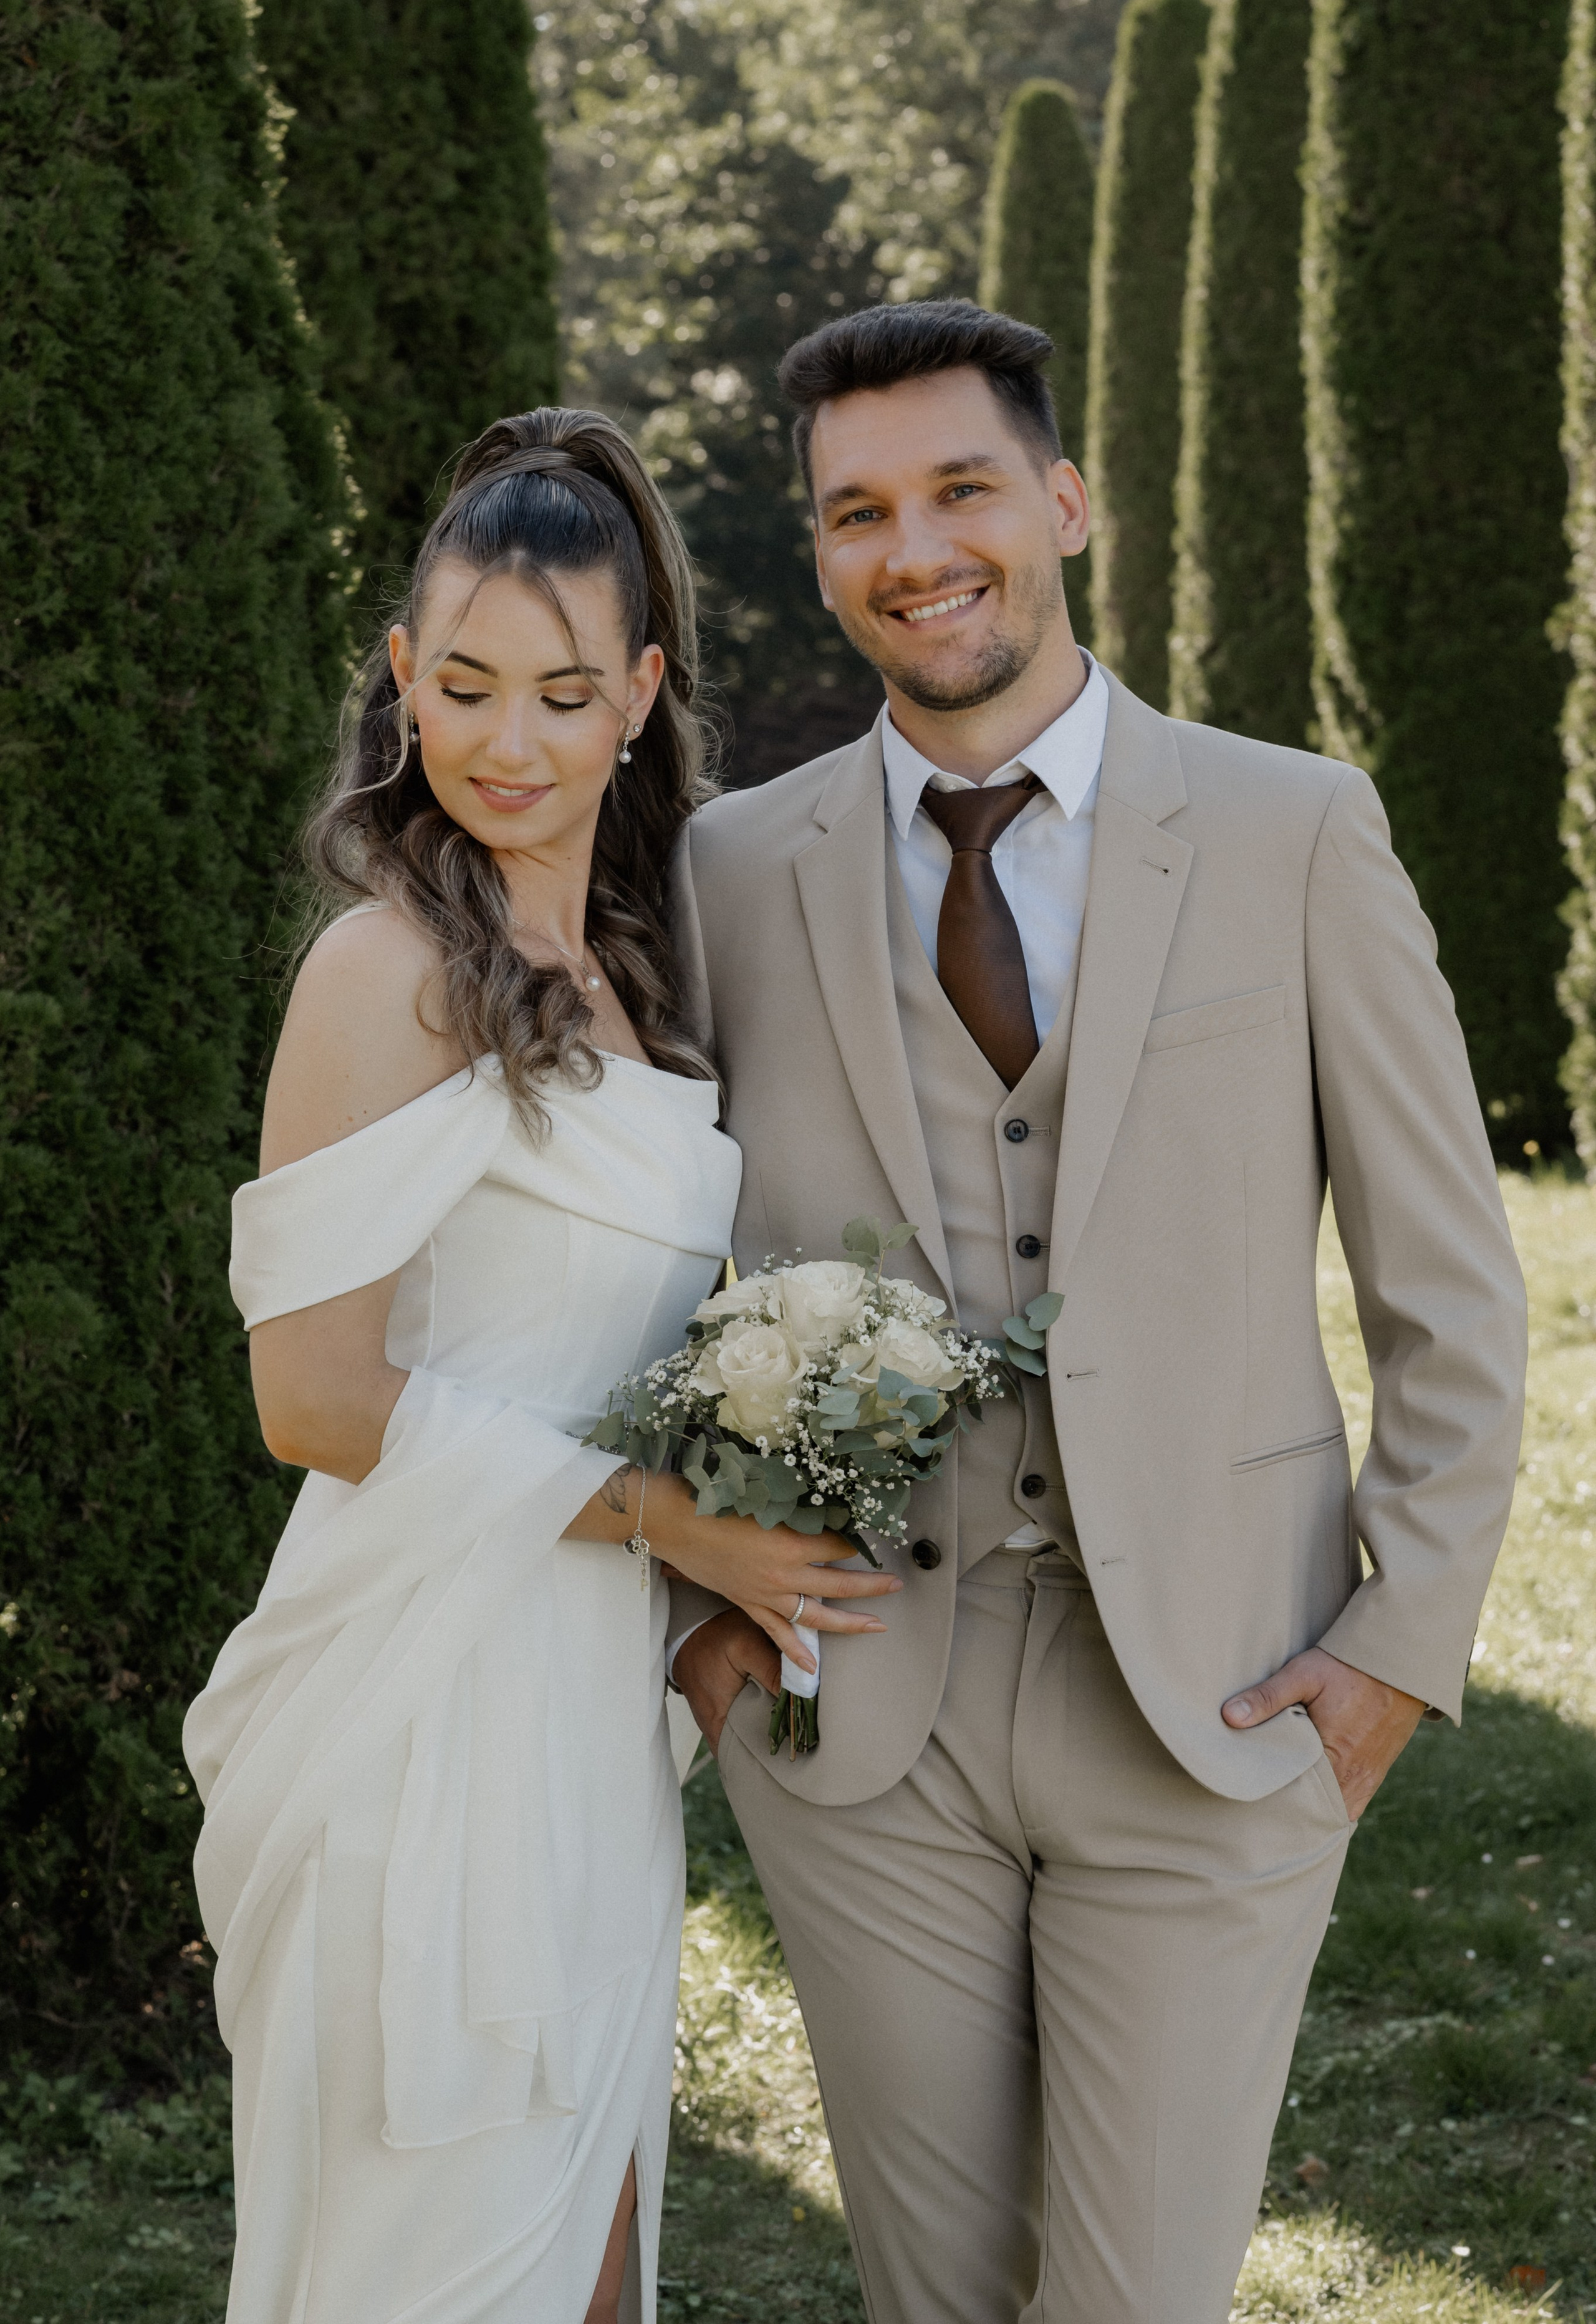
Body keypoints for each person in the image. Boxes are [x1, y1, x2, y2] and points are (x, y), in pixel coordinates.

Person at [668, 302, 1528, 2324]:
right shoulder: (729, 871)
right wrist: (701, 1619)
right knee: (938, 2298)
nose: (916, 550)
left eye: (962, 489)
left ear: (1064, 503)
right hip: (862, 1705)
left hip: (1220, 1694)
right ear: (820, 551)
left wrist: (1392, 1655)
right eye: (858, 511)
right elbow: (638, 1264)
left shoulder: (1293, 830)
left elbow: (1452, 1288)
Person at [183, 409, 896, 2324]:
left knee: (592, 2273)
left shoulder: (643, 984)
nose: (509, 742)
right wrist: (676, 1524)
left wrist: (716, 1578)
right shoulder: (384, 970)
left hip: (586, 1716)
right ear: (403, 676)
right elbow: (313, 1400)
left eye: (566, 695)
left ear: (640, 697)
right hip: (421, 1716)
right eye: (467, 685)